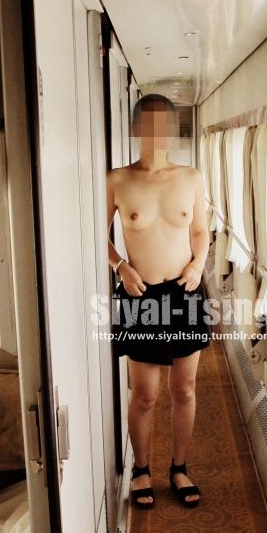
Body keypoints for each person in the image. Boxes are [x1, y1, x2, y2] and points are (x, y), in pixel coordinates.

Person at [106, 94, 211, 510]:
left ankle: (180, 468)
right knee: (145, 393)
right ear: (135, 128)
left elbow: (200, 231)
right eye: (148, 124)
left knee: (184, 388)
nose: (156, 133)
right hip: (141, 295)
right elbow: (98, 234)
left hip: (185, 292)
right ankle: (141, 470)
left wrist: (198, 264)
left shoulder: (191, 177)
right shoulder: (117, 180)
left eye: (163, 124)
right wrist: (120, 267)